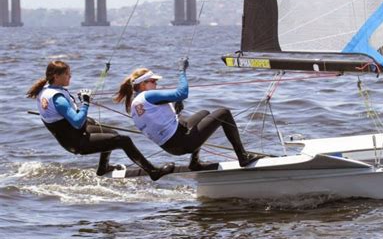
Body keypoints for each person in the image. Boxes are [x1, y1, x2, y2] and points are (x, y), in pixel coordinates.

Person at [26, 60, 174, 181]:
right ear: (56, 76)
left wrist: (84, 113)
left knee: (110, 133)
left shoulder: (46, 90)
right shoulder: (57, 98)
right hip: (76, 142)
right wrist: (85, 103)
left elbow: (64, 119)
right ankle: (153, 171)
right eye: (67, 75)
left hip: (74, 134)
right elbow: (77, 121)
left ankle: (103, 168)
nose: (70, 77)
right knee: (123, 140)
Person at [113, 58, 264, 171]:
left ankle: (194, 163)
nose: (156, 84)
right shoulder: (148, 96)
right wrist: (182, 71)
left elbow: (159, 117)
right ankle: (243, 157)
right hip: (182, 143)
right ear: (143, 84)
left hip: (171, 146)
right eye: (153, 81)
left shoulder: (135, 102)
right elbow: (182, 92)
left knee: (204, 113)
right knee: (223, 113)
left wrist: (175, 102)